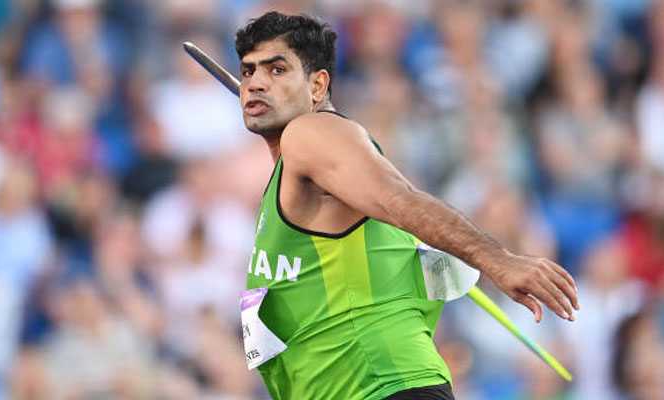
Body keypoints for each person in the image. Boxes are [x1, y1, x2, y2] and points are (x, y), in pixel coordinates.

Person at [235, 11, 579, 400]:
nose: (256, 83)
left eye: (277, 69)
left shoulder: (311, 133)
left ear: (318, 85)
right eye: (248, 71)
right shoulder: (305, 177)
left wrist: (498, 260)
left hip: (383, 388)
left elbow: (400, 200)